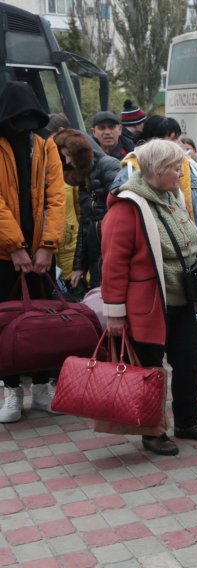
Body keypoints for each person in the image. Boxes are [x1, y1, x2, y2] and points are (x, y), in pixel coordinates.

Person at [101, 139, 197, 456]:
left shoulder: (173, 197)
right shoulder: (128, 205)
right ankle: (152, 432)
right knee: (150, 371)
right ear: (155, 170)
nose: (180, 173)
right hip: (147, 304)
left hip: (182, 301)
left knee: (188, 362)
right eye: (174, 167)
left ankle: (187, 421)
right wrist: (114, 312)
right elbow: (113, 264)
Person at [0, 81, 66, 423]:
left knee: (43, 319)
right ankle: (11, 389)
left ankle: (43, 386)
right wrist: (14, 246)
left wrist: (46, 246)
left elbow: (57, 197)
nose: (24, 127)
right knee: (7, 321)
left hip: (41, 250)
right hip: (3, 254)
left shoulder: (44, 146)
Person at [113, 115, 197, 254]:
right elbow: (120, 229)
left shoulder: (191, 169)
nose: (179, 144)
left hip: (196, 259)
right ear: (154, 143)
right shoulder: (130, 172)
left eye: (179, 138)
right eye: (173, 139)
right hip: (153, 260)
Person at [53, 128, 120, 290]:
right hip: (97, 259)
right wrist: (79, 265)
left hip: (113, 256)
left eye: (69, 155)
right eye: (64, 157)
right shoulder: (83, 179)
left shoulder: (108, 166)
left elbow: (122, 214)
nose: (67, 161)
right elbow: (85, 224)